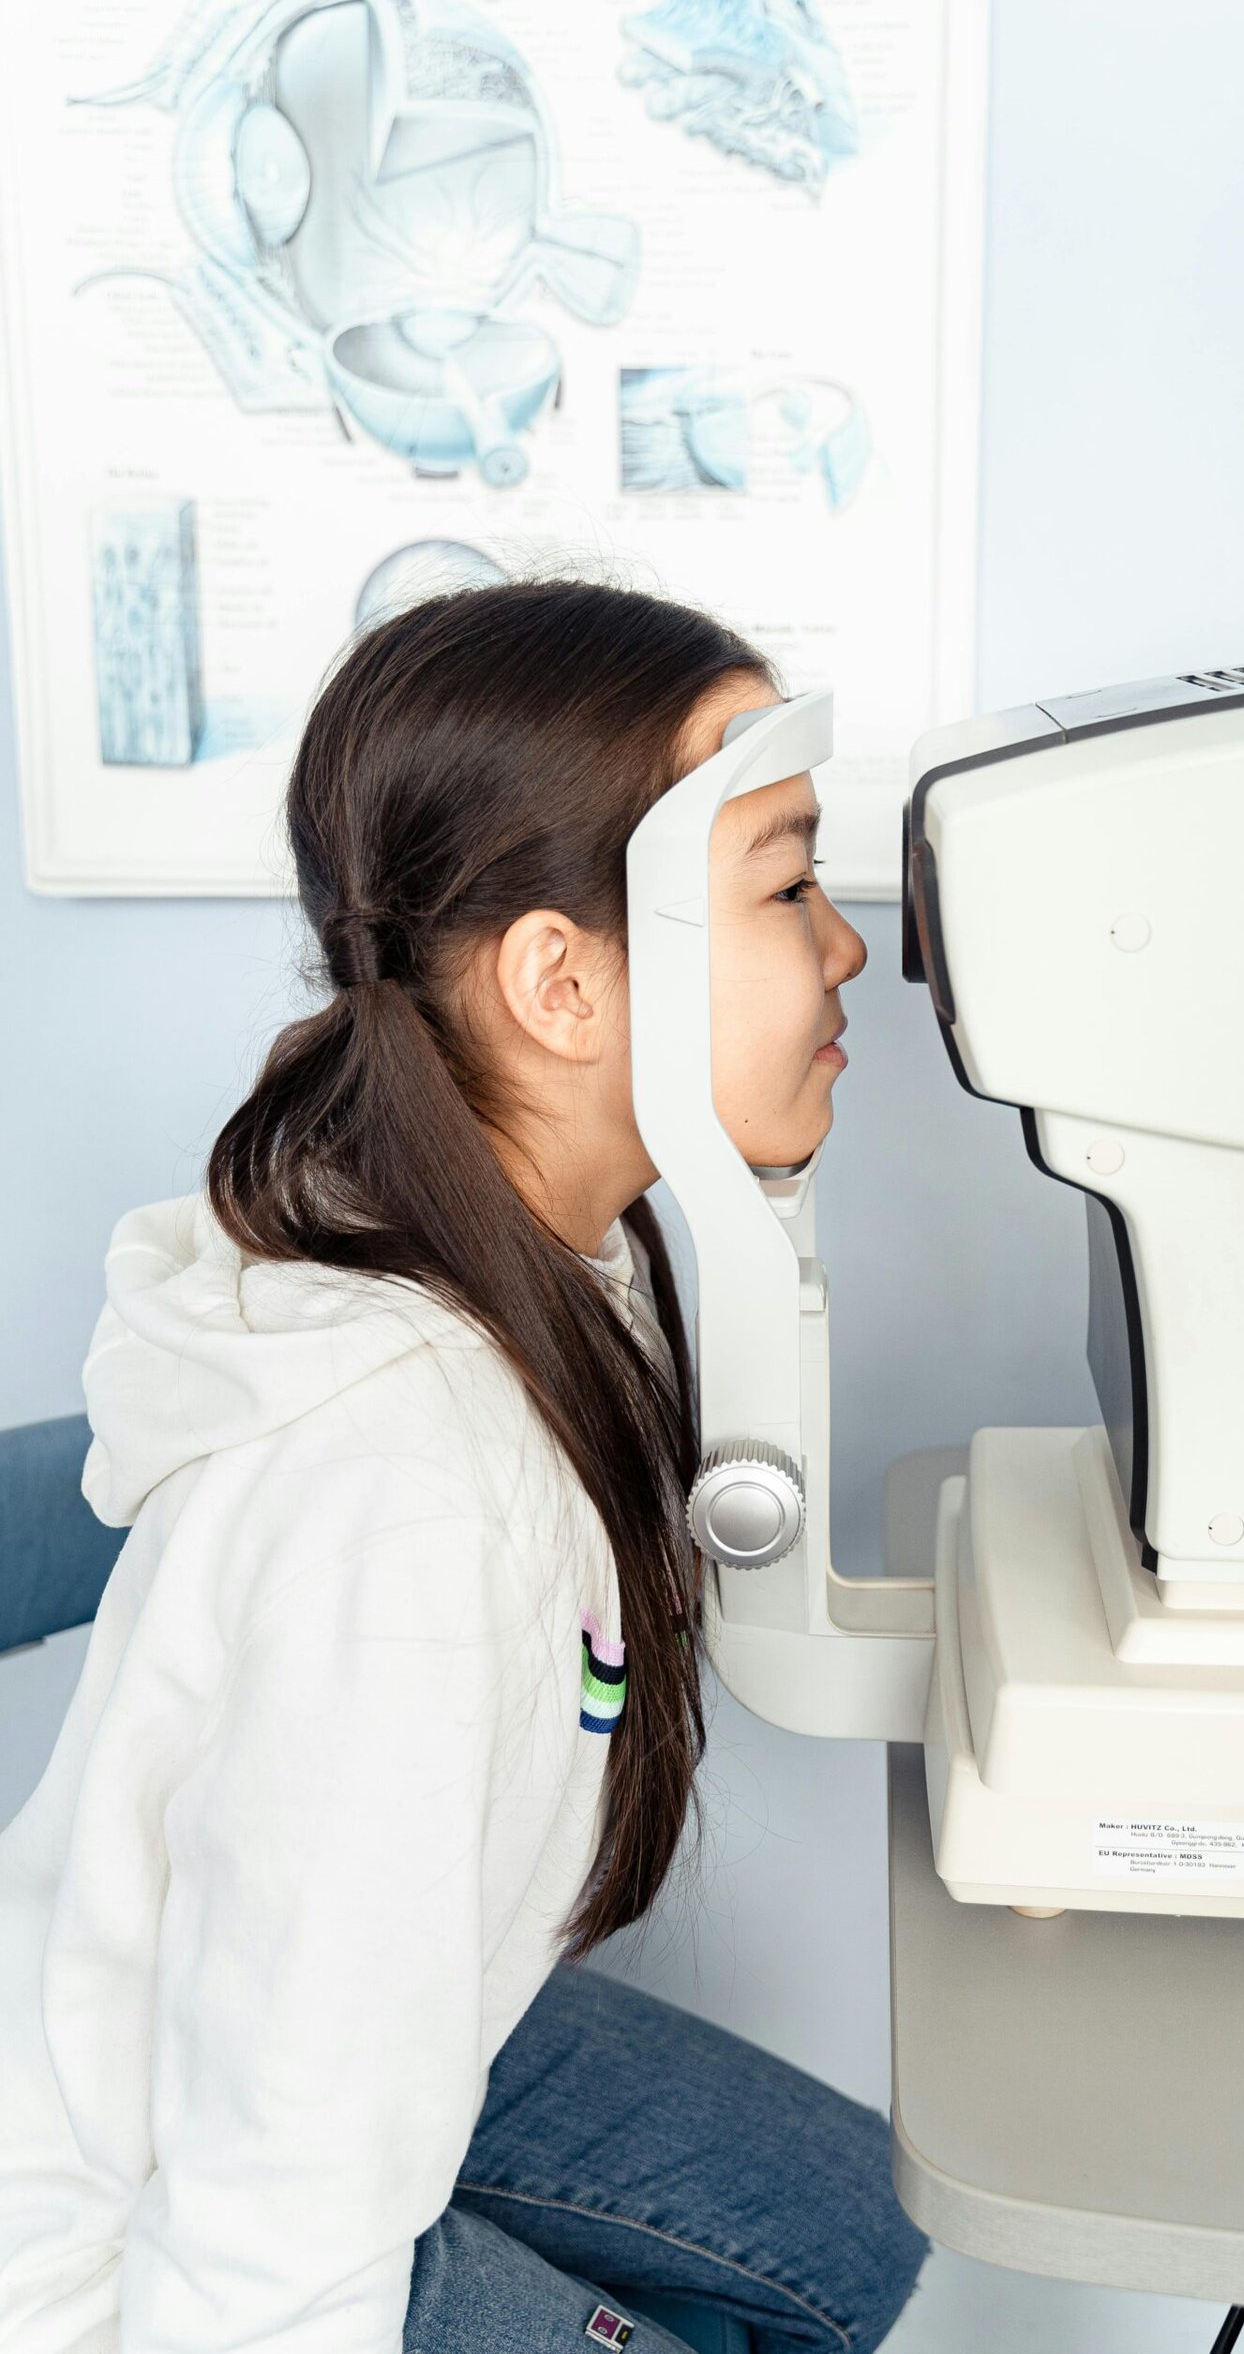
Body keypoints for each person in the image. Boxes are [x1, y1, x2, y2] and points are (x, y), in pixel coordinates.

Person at [0, 577, 930, 2353]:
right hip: (154, 2233)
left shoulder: (527, 1238)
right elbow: (276, 2204)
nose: (846, 947)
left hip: (331, 2002)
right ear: (564, 982)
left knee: (841, 2230)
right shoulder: (407, 1509)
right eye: (788, 883)